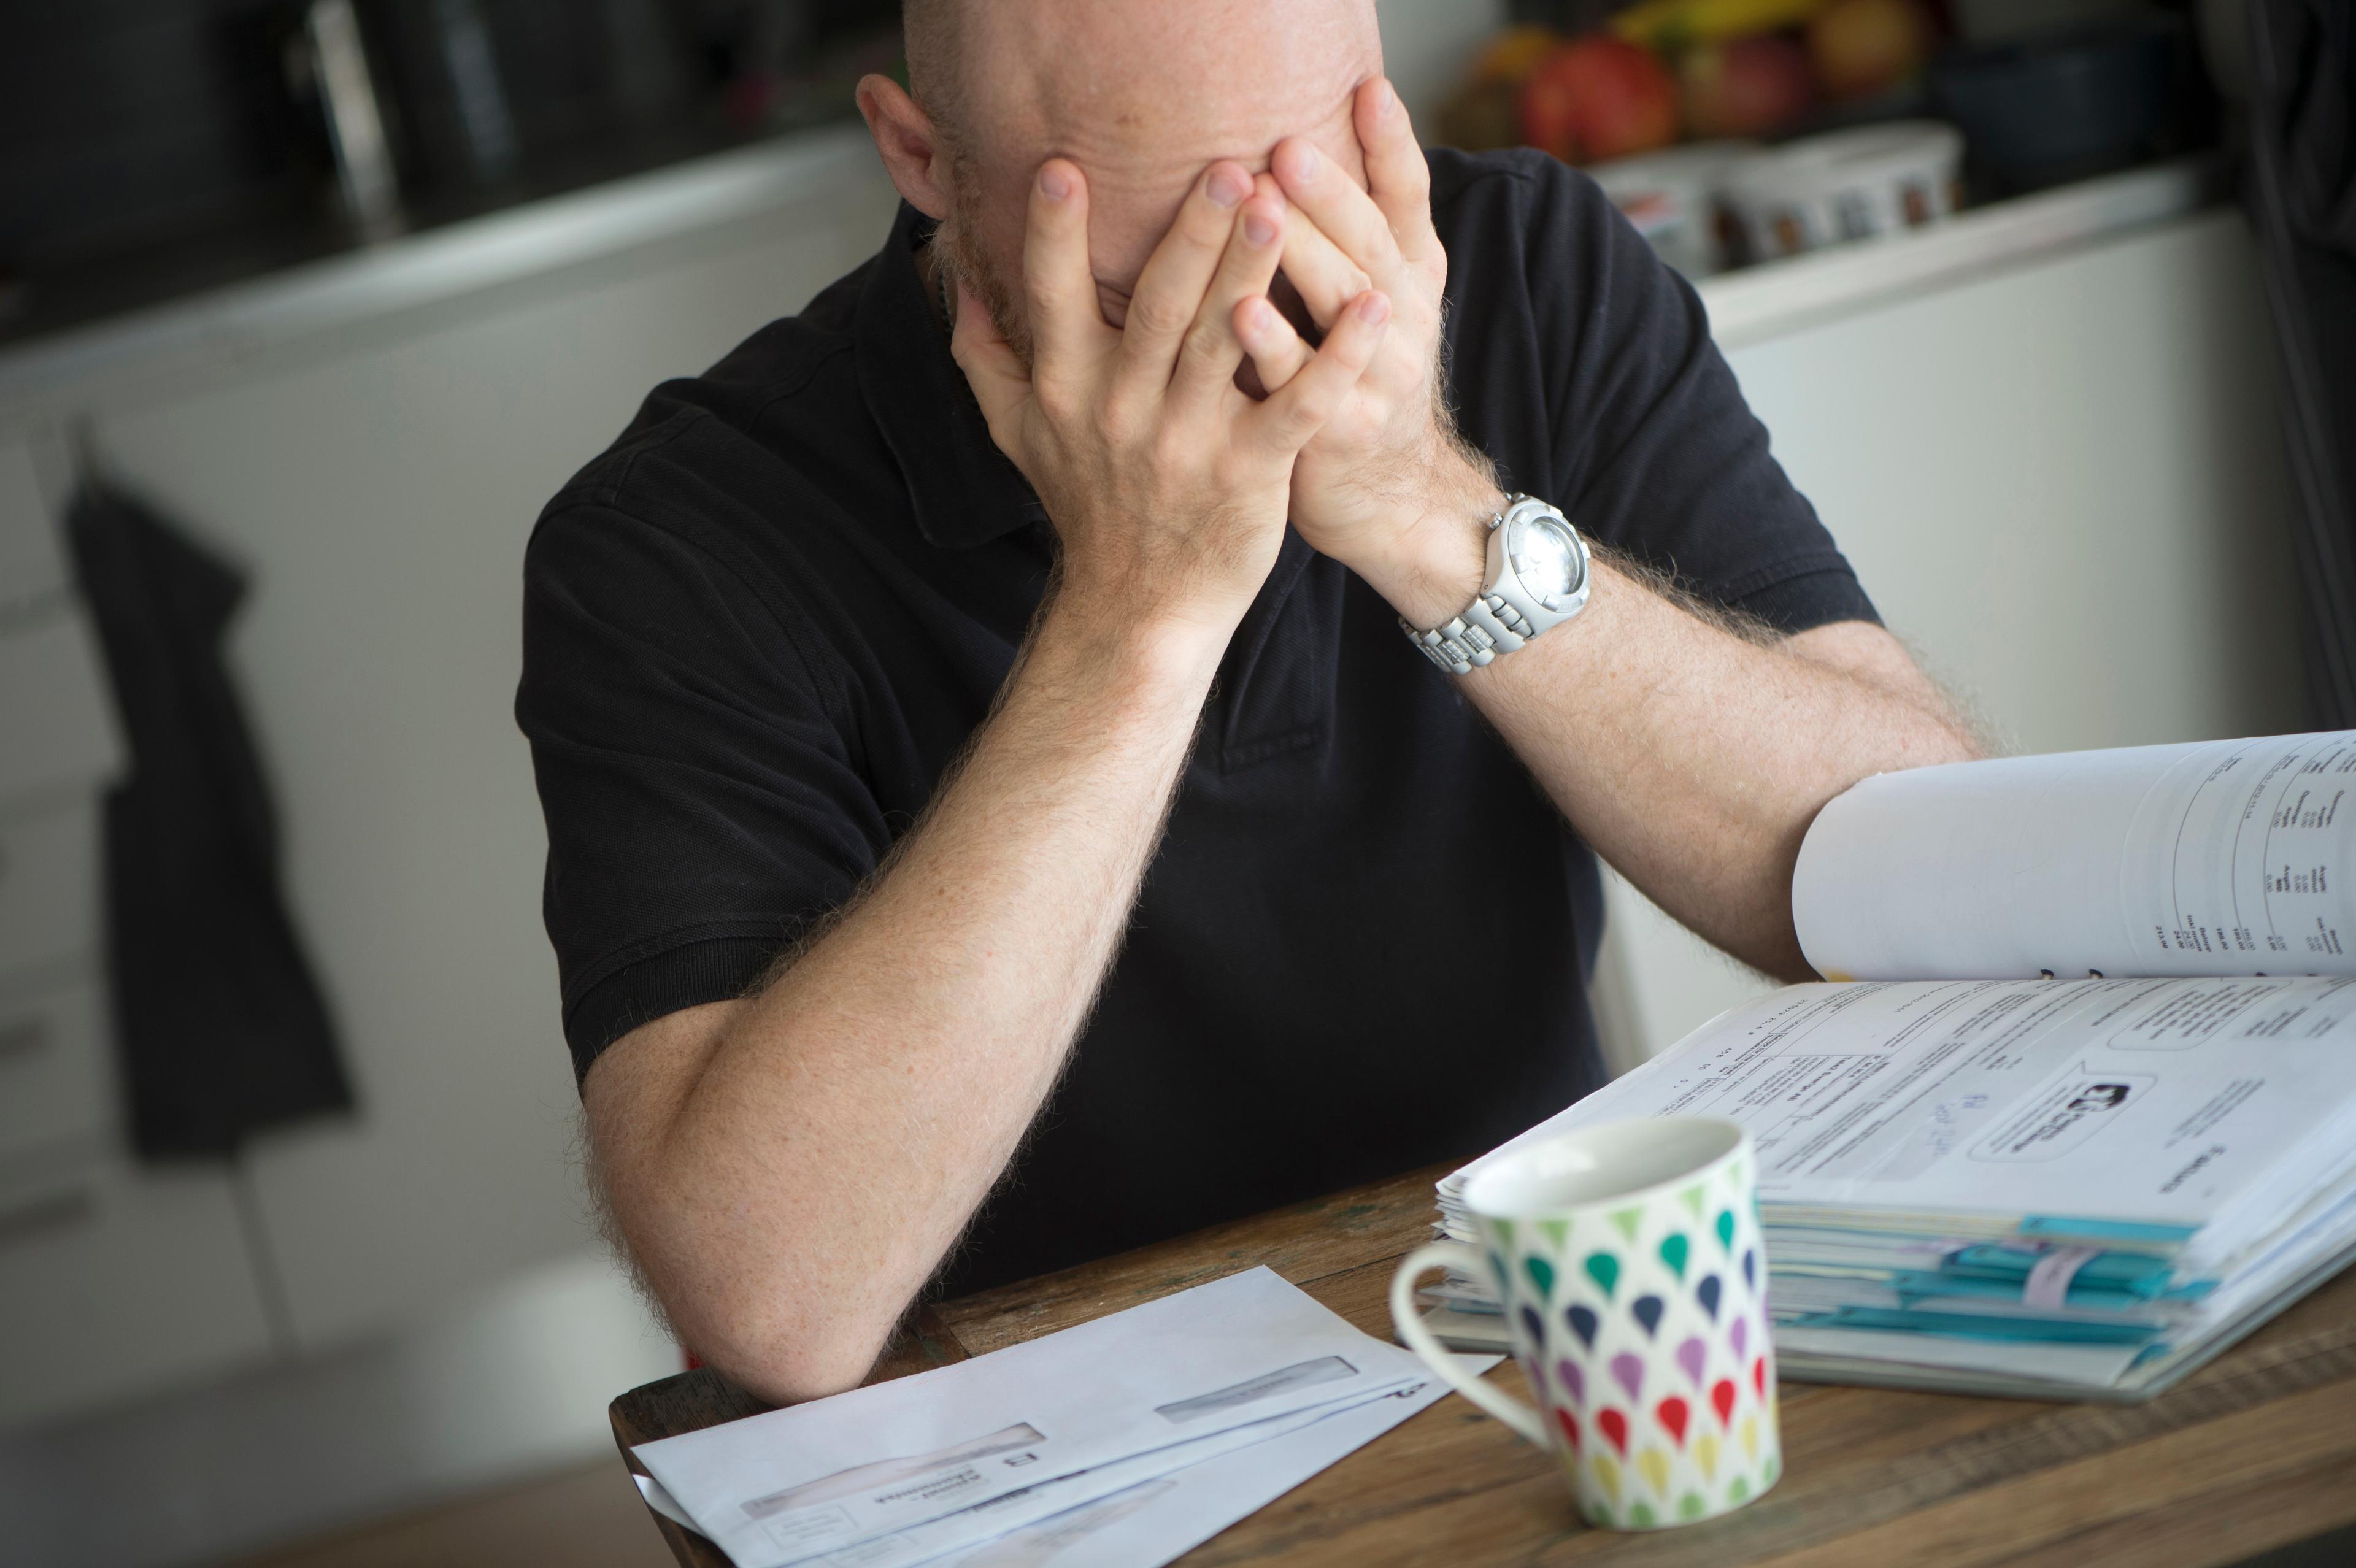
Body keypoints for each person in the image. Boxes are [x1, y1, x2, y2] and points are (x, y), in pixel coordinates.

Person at [515, 0, 1979, 1404]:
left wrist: (1425, 508)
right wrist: (1138, 613)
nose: (1237, 352)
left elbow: (1935, 897)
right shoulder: (674, 542)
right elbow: (775, 1303)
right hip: (1033, 1460)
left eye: (1301, 243)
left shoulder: (1528, 265)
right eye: (1129, 290)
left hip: (1535, 1361)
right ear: (920, 161)